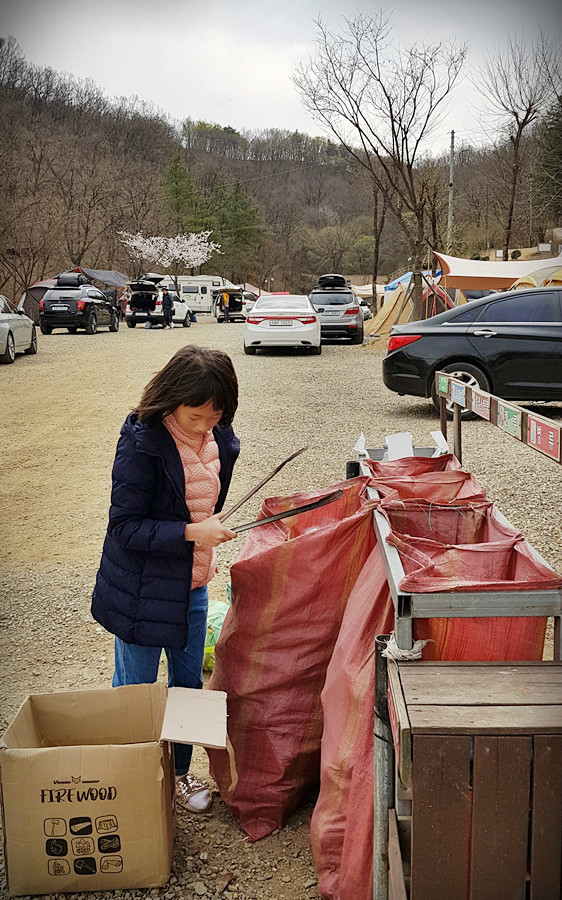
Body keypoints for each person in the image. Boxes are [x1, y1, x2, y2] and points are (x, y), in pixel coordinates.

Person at [91, 346, 240, 813]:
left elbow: (204, 497)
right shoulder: (143, 442)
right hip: (139, 588)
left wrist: (206, 528)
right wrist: (195, 532)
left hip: (192, 582)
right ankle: (130, 773)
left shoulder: (219, 436)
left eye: (215, 416)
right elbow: (124, 527)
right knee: (135, 689)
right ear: (172, 400)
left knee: (187, 687)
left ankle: (177, 774)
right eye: (196, 417)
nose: (206, 426)